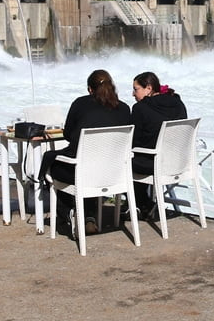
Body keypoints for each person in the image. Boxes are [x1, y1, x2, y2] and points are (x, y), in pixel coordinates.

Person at [39, 69, 131, 236]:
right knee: (86, 166)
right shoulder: (124, 108)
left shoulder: (81, 104)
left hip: (84, 172)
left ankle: (70, 212)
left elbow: (68, 135)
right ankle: (89, 215)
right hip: (115, 172)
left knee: (57, 166)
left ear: (90, 89)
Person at [130, 71, 188, 218]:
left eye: (136, 89)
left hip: (156, 163)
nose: (133, 94)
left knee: (123, 161)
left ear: (148, 88)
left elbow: (134, 141)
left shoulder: (140, 108)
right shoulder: (178, 103)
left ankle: (143, 204)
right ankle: (142, 204)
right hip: (179, 161)